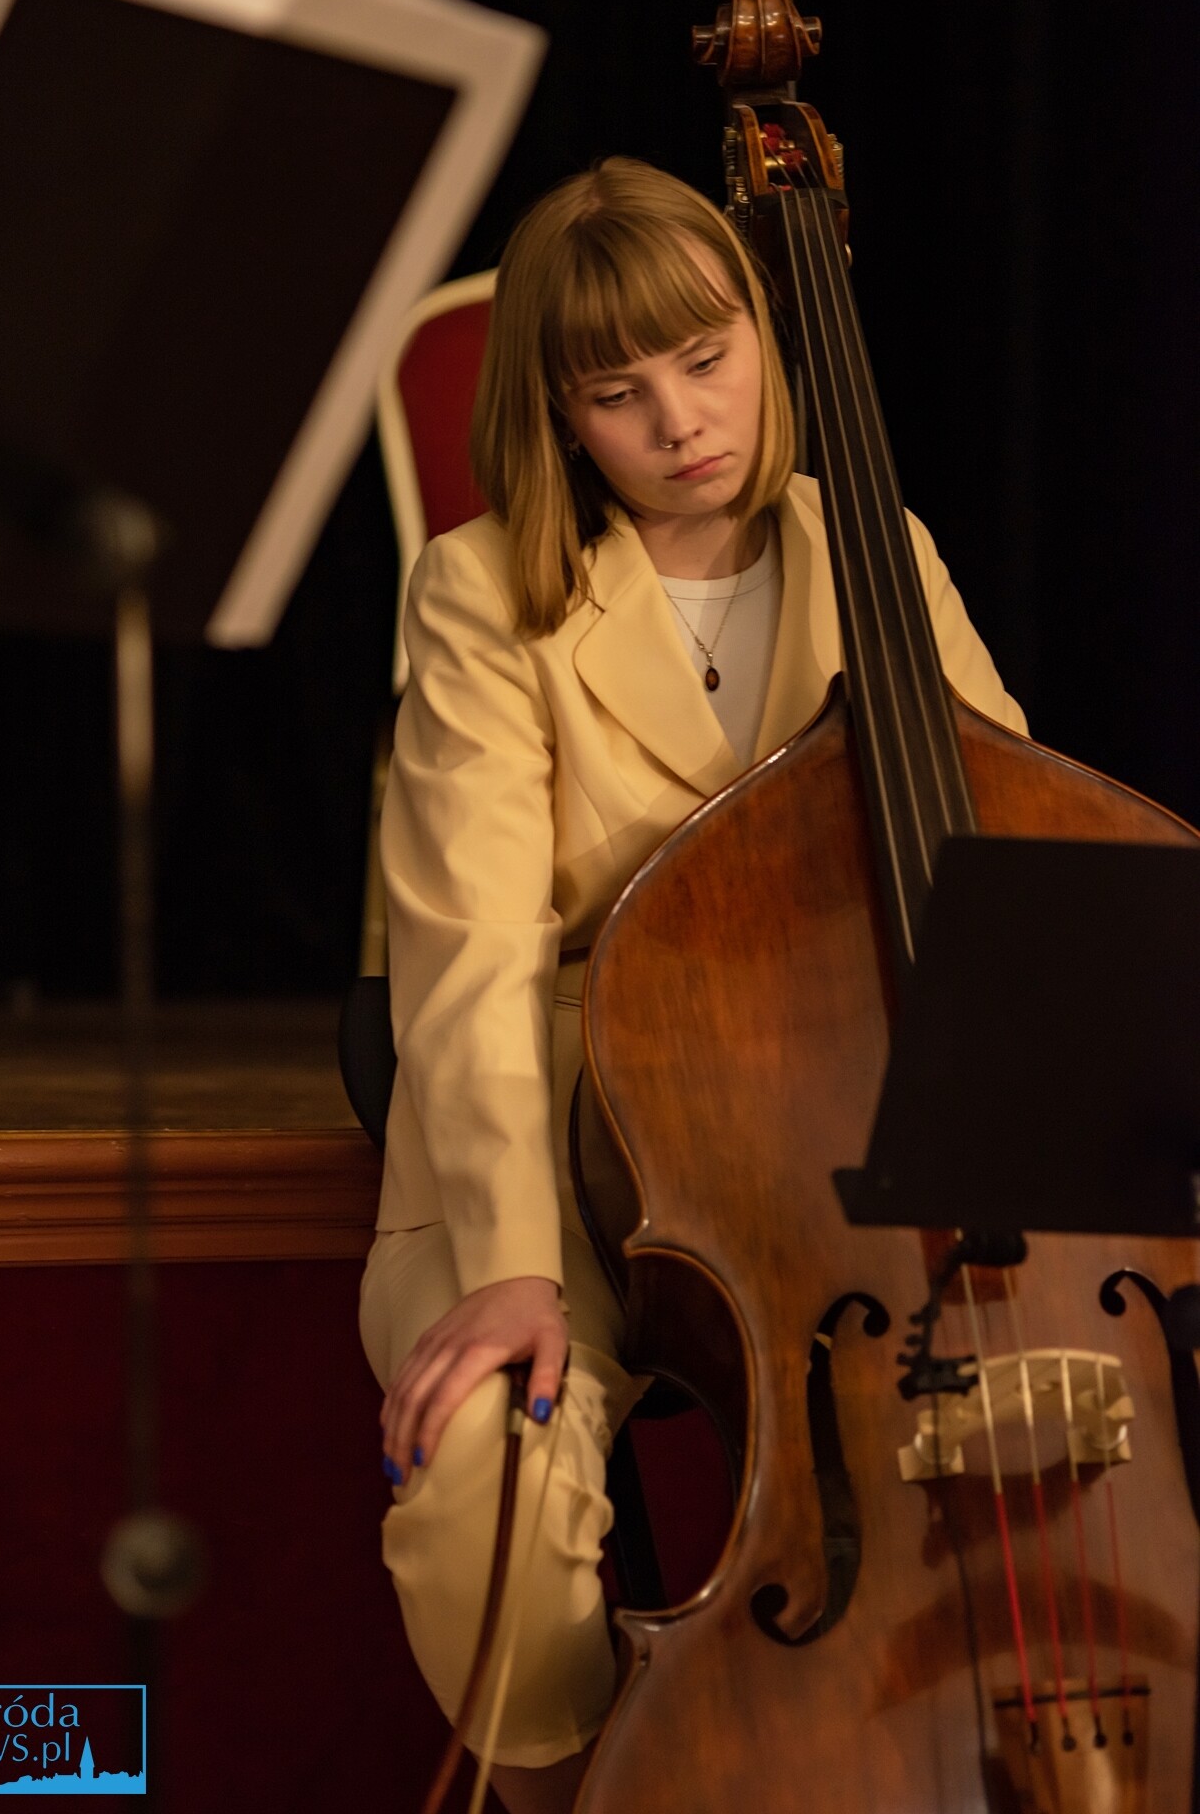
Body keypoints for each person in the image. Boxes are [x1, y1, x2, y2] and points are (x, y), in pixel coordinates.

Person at [358, 156, 1026, 1814]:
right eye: (619, 393)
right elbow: (469, 957)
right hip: (567, 1139)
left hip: (841, 1136)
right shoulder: (482, 590)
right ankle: (580, 1793)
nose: (680, 421)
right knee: (481, 1486)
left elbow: (1016, 859)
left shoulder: (875, 548)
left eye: (709, 358)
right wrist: (513, 1269)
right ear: (559, 414)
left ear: (769, 338)